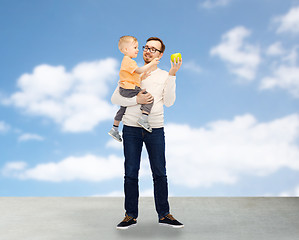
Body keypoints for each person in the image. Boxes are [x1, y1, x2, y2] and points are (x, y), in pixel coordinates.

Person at [111, 37, 184, 229]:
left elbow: (169, 102)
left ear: (160, 55)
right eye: (146, 47)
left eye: (154, 49)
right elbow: (115, 97)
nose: (148, 51)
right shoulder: (132, 70)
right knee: (131, 173)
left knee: (160, 173)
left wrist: (173, 74)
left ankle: (164, 214)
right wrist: (137, 99)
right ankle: (130, 216)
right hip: (131, 130)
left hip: (155, 129)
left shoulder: (163, 75)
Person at [108, 36, 160, 142]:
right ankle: (144, 119)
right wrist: (152, 64)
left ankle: (114, 128)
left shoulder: (126, 62)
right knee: (149, 98)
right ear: (126, 50)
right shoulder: (129, 61)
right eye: (135, 47)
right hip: (129, 89)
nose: (137, 50)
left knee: (123, 108)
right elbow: (139, 70)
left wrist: (142, 77)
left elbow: (134, 76)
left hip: (125, 88)